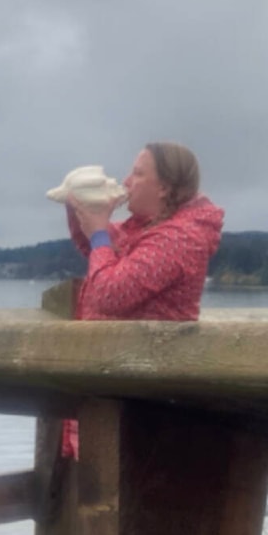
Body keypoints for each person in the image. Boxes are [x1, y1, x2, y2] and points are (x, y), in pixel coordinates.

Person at [59, 141, 224, 457]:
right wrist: (79, 203)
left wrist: (99, 233)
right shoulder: (147, 230)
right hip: (128, 390)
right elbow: (97, 252)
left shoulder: (180, 238)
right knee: (102, 498)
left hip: (147, 404)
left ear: (163, 187)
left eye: (137, 173)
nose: (126, 182)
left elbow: (109, 293)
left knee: (119, 500)